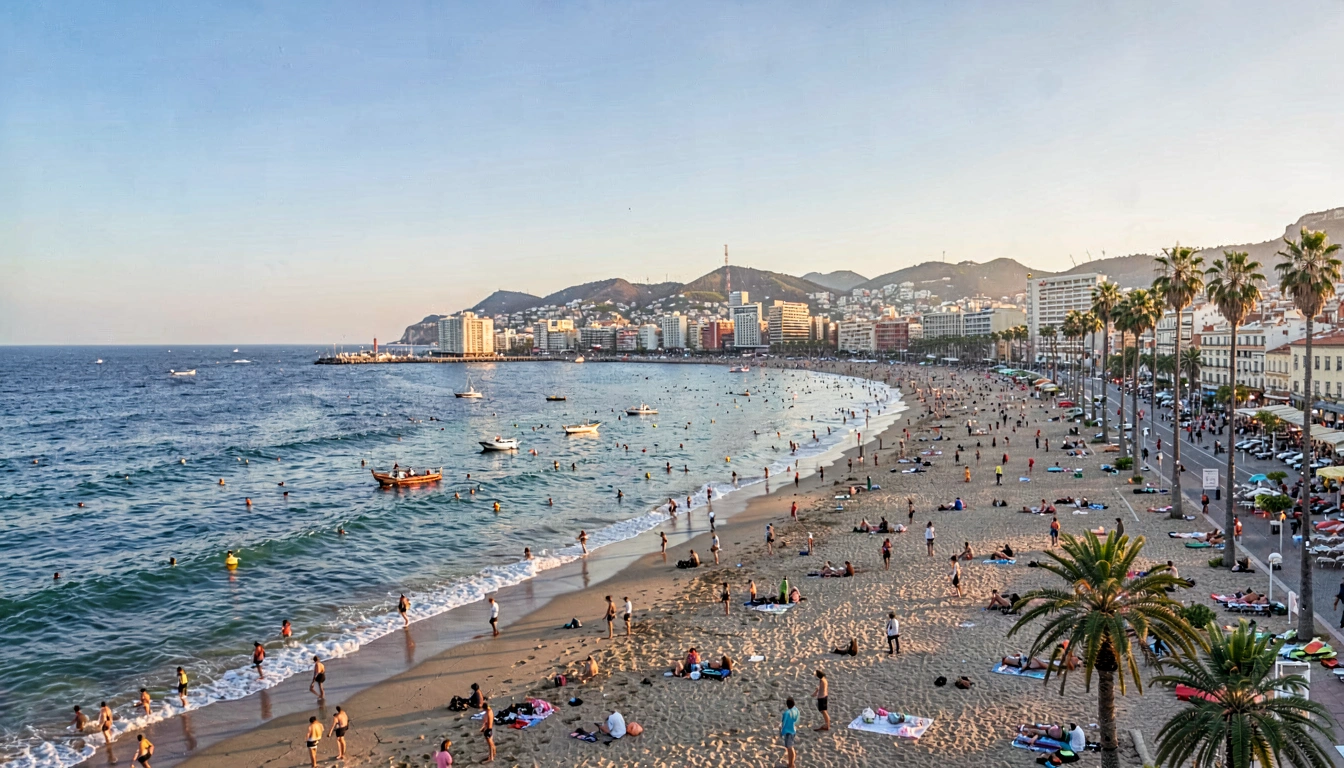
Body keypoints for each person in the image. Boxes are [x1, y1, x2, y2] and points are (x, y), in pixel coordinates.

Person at [780, 697, 801, 768]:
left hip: (788, 731)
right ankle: (792, 762)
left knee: (790, 748)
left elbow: (783, 723)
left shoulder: (787, 713)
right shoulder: (796, 710)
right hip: (793, 730)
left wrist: (781, 732)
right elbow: (797, 721)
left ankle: (791, 764)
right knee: (791, 747)